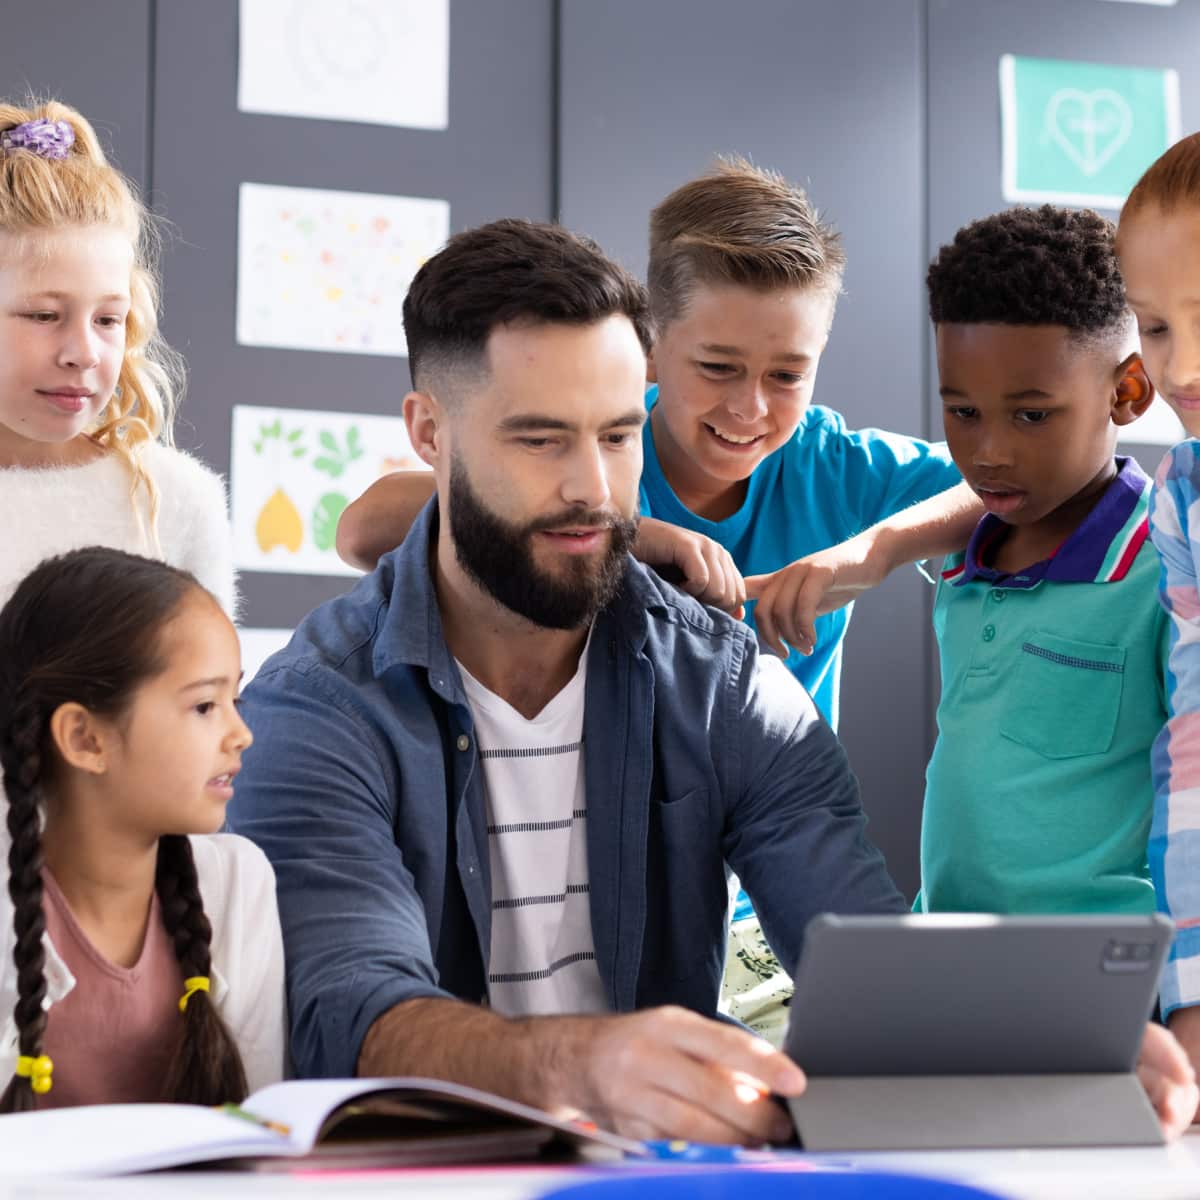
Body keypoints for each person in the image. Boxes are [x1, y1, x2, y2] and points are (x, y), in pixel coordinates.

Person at [232, 217, 1196, 1143]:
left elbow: (858, 945)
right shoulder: (317, 710)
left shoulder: (727, 687)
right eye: (539, 440)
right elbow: (349, 1014)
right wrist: (582, 1067)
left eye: (616, 437)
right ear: (429, 435)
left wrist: (1055, 1047)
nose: (593, 491)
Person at [333, 161, 973, 1036]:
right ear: (648, 349)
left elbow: (1004, 484)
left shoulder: (832, 466)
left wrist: (867, 554)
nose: (750, 407)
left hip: (761, 880)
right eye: (716, 367)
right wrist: (631, 532)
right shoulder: (593, 449)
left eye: (788, 374)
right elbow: (366, 523)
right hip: (587, 857)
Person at [918, 205, 1163, 917]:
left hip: (1106, 989)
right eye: (963, 411)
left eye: (1031, 415)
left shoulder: (1167, 573)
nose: (989, 451)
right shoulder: (969, 564)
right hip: (952, 955)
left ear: (1127, 394)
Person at [0, 547, 284, 1112]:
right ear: (85, 738)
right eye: (205, 706)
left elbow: (257, 1123)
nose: (241, 733)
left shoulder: (238, 884)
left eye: (236, 698)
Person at [0, 100, 233, 611]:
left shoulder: (174, 502)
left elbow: (209, 688)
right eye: (43, 316)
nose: (84, 353)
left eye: (108, 320)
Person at [1116, 130, 1200, 1100]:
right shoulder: (1181, 495)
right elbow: (1191, 749)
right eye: (1156, 325)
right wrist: (1190, 995)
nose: (1182, 367)